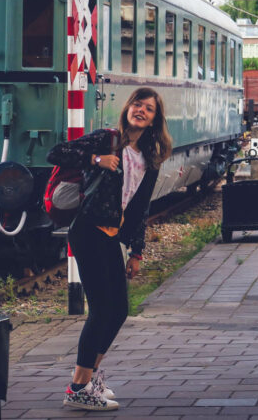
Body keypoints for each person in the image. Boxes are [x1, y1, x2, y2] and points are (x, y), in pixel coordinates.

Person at [47, 88, 172, 411]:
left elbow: (140, 207)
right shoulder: (106, 139)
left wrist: (137, 252)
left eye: (148, 108)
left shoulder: (149, 158)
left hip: (111, 236)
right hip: (88, 230)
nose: (140, 111)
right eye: (137, 104)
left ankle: (89, 378)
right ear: (127, 108)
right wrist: (95, 159)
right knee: (102, 309)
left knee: (118, 310)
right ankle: (78, 386)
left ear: (155, 119)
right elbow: (56, 152)